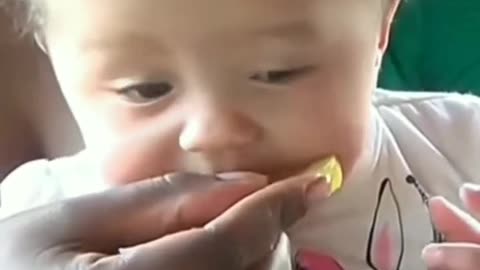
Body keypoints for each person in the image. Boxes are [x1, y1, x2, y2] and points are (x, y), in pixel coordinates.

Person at [1, 0, 480, 269]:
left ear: (381, 29)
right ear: (55, 60)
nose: (212, 133)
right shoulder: (27, 218)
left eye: (277, 73)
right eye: (145, 89)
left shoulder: (462, 147)